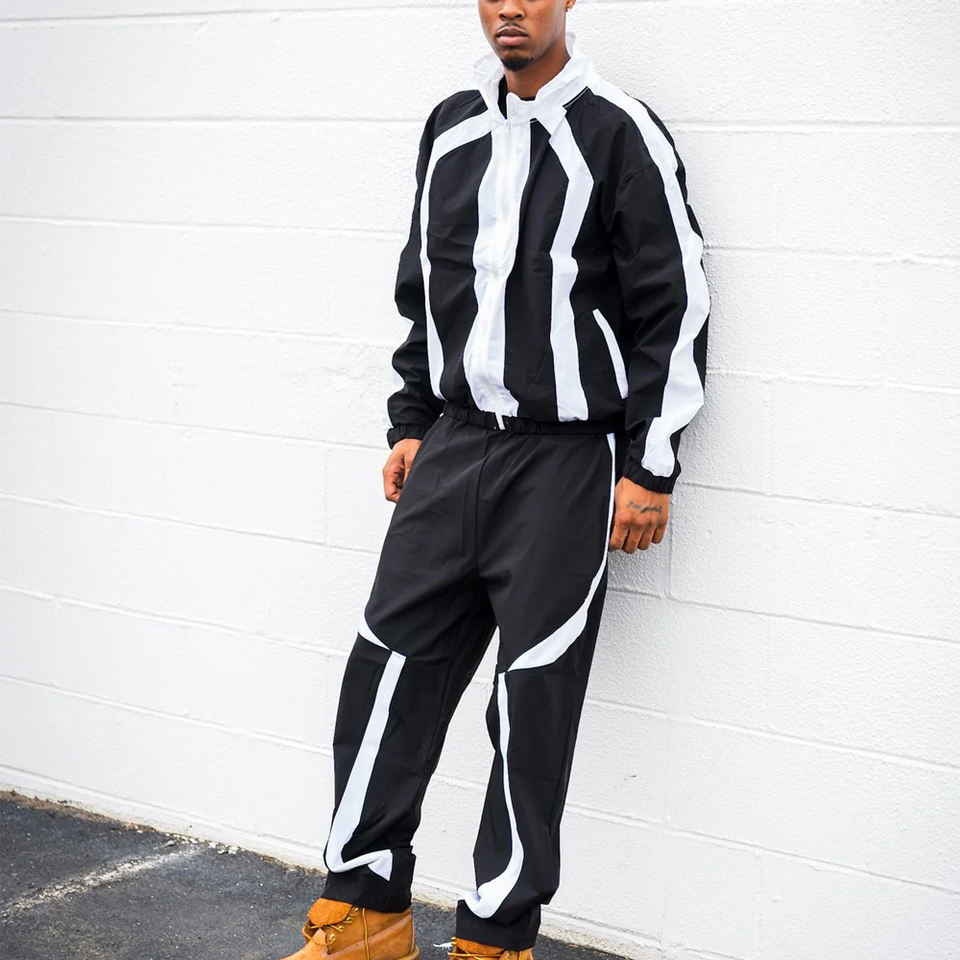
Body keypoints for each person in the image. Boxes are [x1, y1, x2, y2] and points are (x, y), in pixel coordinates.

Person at [278, 2, 709, 958]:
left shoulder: (619, 132)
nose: (510, 7)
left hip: (566, 461)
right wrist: (412, 421)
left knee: (531, 703)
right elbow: (427, 291)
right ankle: (367, 912)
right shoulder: (449, 128)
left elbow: (674, 303)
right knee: (388, 668)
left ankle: (495, 936)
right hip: (454, 447)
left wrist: (652, 464)